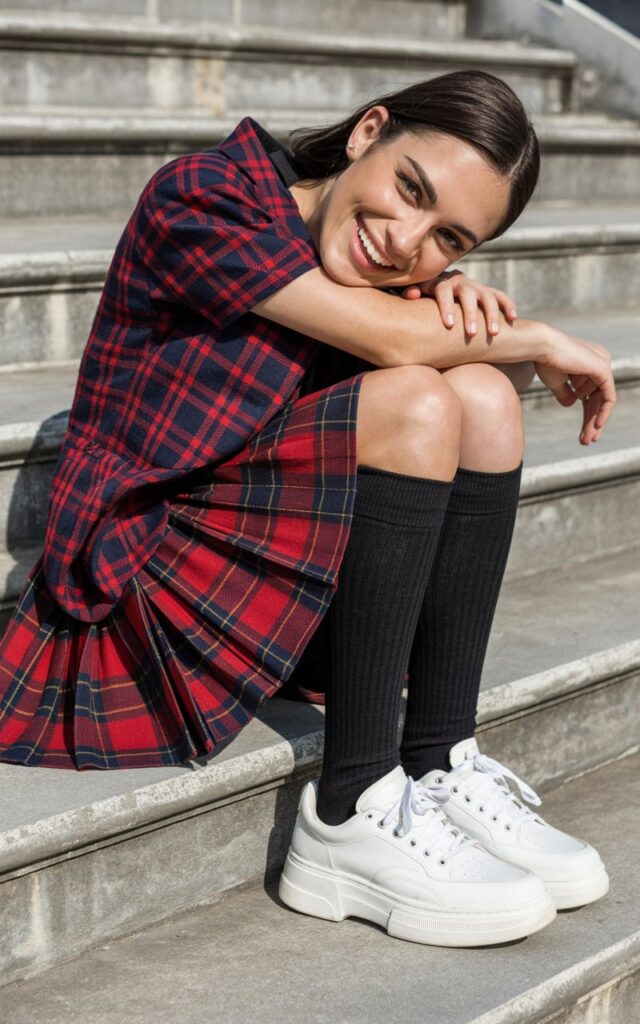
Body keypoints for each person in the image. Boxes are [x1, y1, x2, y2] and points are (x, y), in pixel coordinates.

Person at [0, 71, 613, 947]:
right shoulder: (205, 198)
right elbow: (396, 349)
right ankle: (350, 809)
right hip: (139, 570)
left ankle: (437, 761)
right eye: (410, 189)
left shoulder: (376, 265)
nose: (405, 239)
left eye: (449, 237)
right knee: (423, 398)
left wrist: (461, 312)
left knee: (482, 394)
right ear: (368, 131)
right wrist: (536, 335)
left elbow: (422, 343)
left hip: (280, 586)